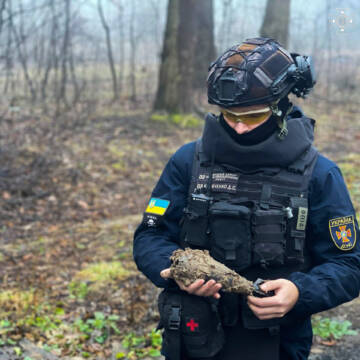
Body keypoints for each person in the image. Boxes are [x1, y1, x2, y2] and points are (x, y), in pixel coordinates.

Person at [133, 37, 360, 360]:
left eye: (253, 116)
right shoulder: (188, 162)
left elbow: (349, 264)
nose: (239, 127)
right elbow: (150, 236)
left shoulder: (320, 174)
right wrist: (172, 270)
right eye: (229, 115)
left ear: (281, 106)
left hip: (277, 342)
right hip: (192, 336)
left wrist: (299, 292)